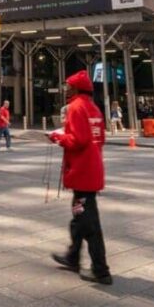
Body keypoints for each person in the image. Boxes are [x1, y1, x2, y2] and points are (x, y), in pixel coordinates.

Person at [50, 70, 111, 285]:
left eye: (68, 86)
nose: (66, 89)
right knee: (79, 218)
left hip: (82, 171)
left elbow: (77, 140)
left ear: (76, 88)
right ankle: (72, 257)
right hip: (92, 168)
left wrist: (58, 137)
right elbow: (99, 138)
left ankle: (101, 270)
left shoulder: (76, 108)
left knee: (89, 223)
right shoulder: (94, 108)